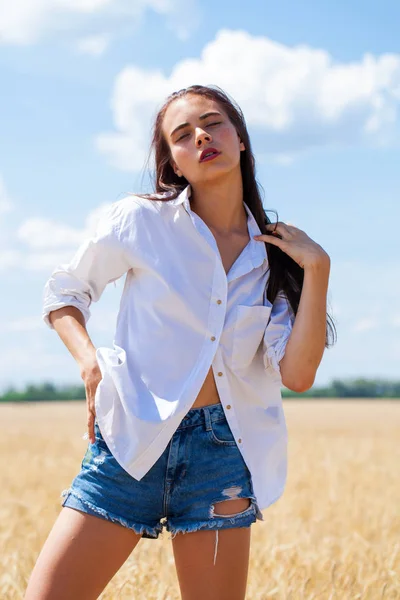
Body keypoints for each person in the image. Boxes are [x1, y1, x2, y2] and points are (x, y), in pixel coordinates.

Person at [25, 84, 335, 600]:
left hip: (223, 458)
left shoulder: (276, 256)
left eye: (213, 123)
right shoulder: (141, 220)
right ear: (173, 163)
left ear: (240, 139)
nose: (201, 137)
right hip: (129, 442)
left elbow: (298, 375)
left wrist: (318, 268)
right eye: (182, 135)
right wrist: (89, 364)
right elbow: (64, 290)